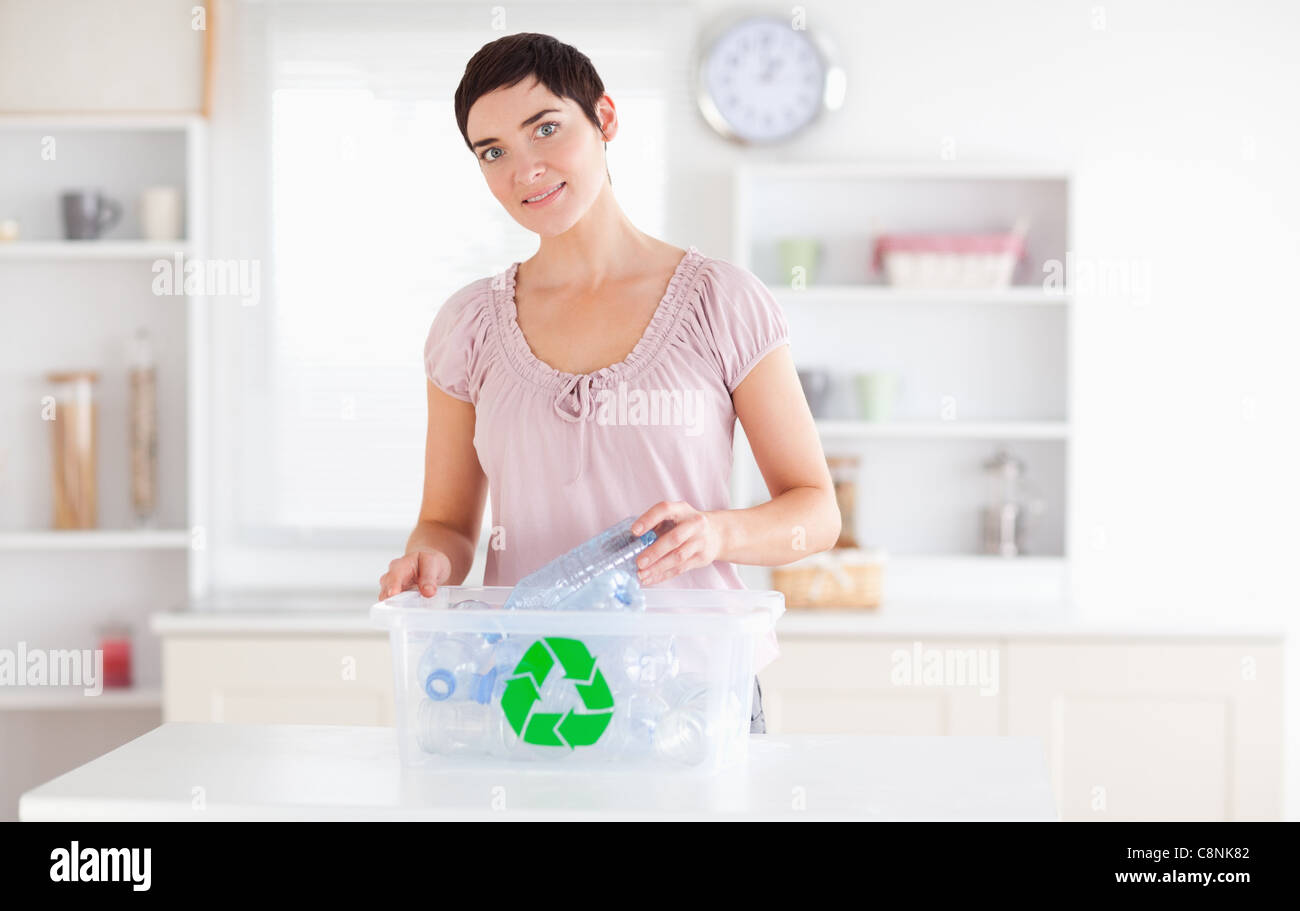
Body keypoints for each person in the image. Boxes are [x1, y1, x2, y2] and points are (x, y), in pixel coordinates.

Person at [378, 32, 839, 733]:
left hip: (692, 695)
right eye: (493, 151)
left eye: (547, 129)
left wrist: (716, 534)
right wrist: (428, 560)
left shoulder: (722, 301)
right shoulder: (468, 325)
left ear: (607, 119)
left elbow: (816, 512)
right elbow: (446, 523)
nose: (524, 168)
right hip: (536, 696)